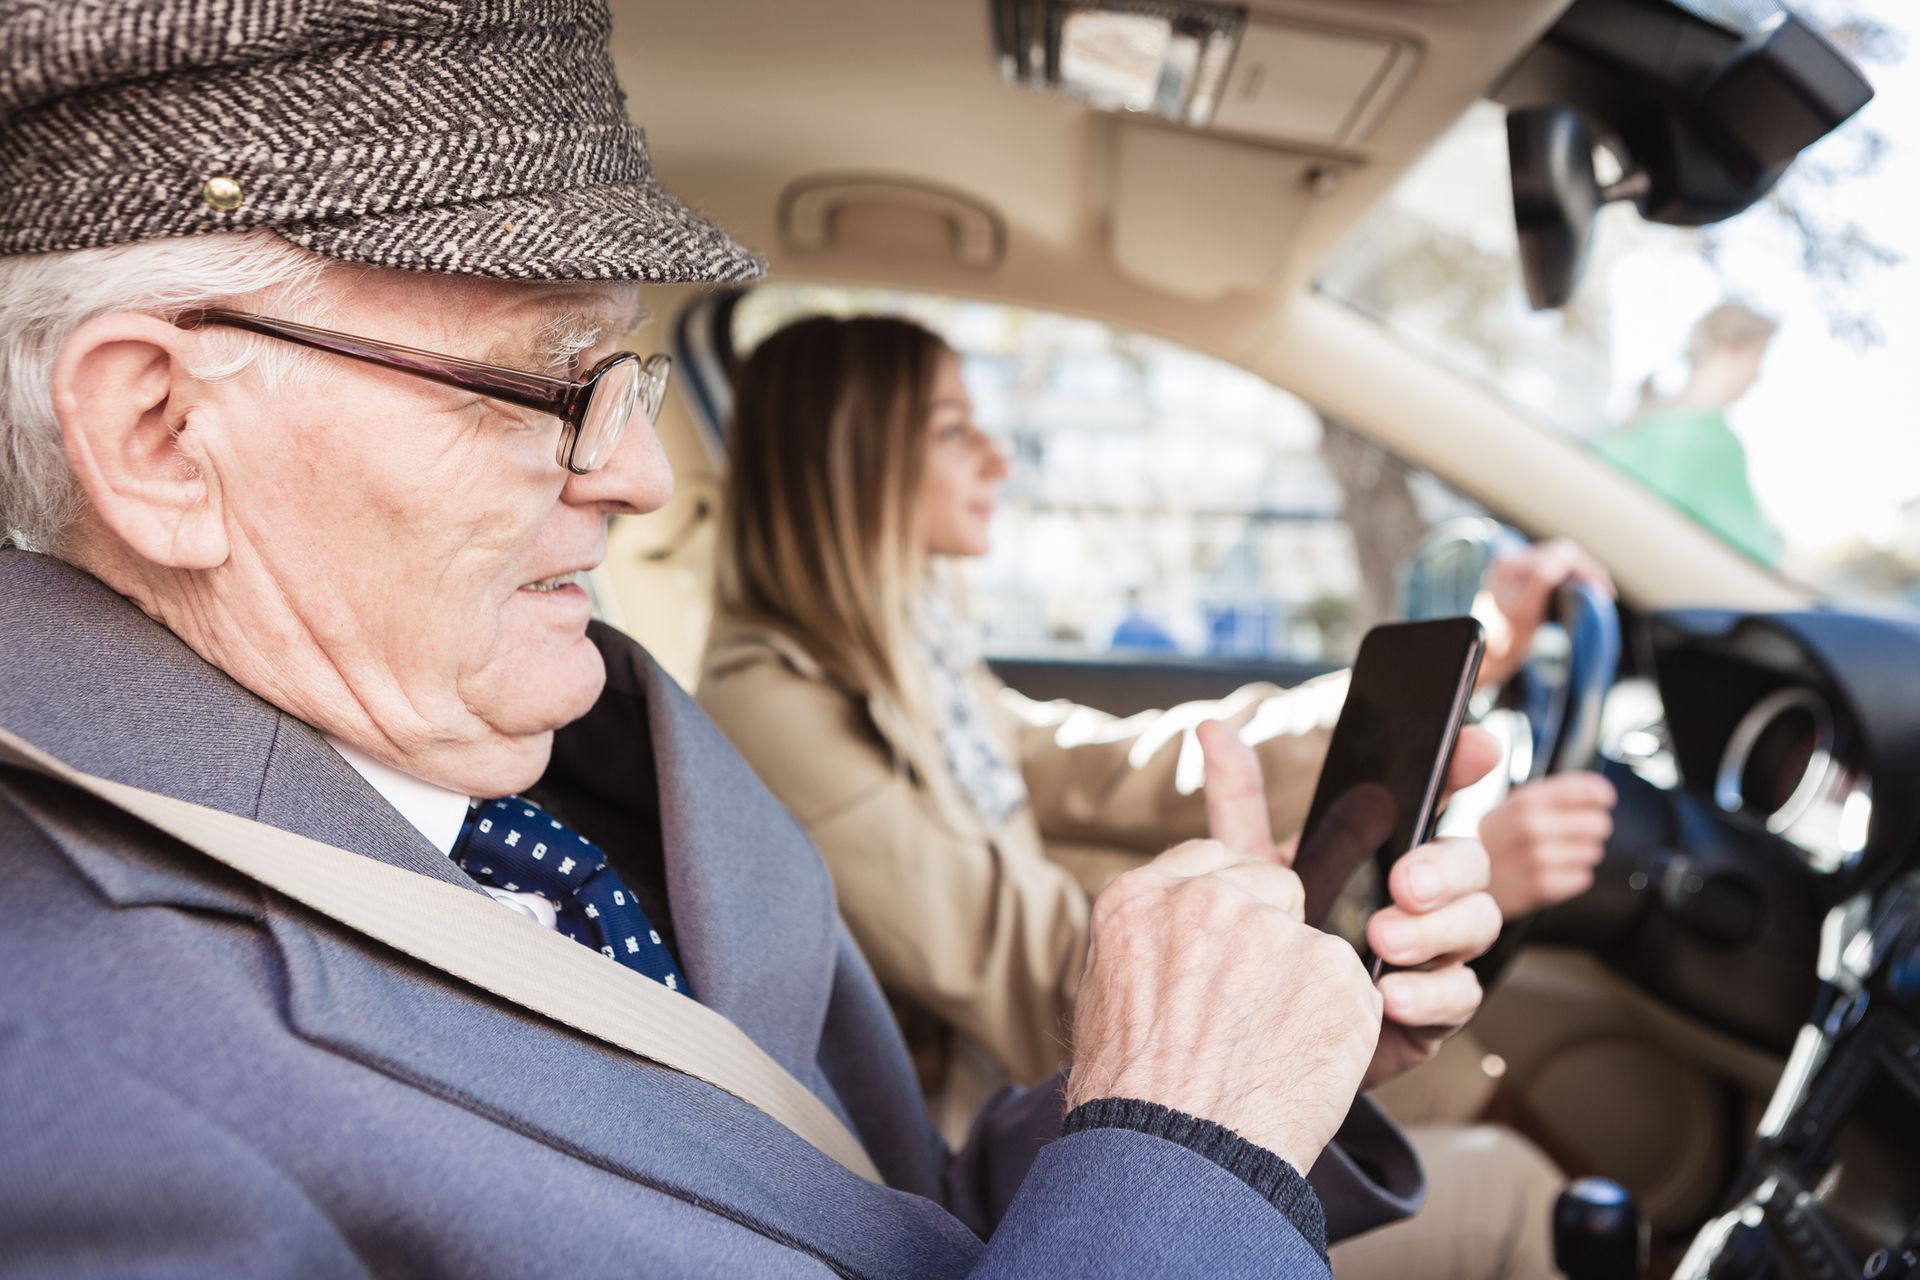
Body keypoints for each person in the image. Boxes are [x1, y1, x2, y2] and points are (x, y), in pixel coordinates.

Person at [0, 4, 1506, 1276]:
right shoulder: (62, 1096)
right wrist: (1191, 1146)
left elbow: (876, 1222)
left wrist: (1236, 1085)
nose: (638, 479)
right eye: (538, 385)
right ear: (161, 435)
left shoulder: (577, 768)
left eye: (624, 378)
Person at [698, 314, 1619, 1278]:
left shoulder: (920, 658)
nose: (999, 459)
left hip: (1063, 1109)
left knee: (1454, 1074)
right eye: (954, 429)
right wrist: (1360, 925)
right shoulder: (775, 707)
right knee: (1516, 1189)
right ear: (850, 461)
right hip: (981, 1160)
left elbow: (1109, 765)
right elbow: (1038, 979)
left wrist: (1401, 709)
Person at [1597, 302, 1783, 566]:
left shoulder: (1644, 420)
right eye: (1757, 358)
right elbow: (1755, 555)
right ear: (1726, 351)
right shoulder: (1717, 445)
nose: (1757, 376)